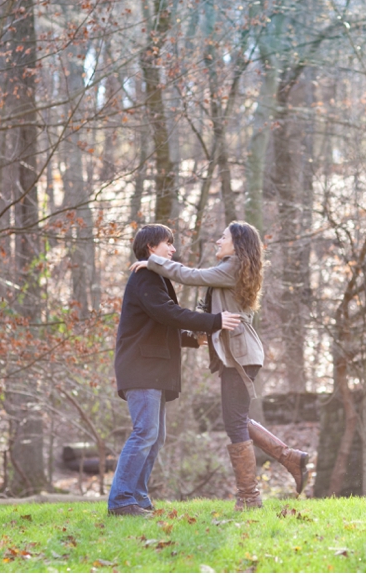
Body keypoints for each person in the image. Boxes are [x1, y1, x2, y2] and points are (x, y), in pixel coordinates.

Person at [132, 221, 310, 511]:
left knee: (235, 422)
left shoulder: (234, 265)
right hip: (238, 354)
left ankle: (250, 496)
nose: (217, 241)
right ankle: (291, 458)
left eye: (223, 237)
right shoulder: (231, 269)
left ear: (237, 244)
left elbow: (190, 276)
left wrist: (152, 262)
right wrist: (196, 335)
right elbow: (209, 309)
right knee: (236, 418)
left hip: (242, 355)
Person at [108, 224, 241, 517]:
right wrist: (213, 321)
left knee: (155, 436)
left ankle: (138, 499)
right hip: (141, 368)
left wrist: (193, 339)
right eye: (168, 243)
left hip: (152, 368)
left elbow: (160, 325)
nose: (173, 249)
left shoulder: (156, 279)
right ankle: (121, 501)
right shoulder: (145, 277)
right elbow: (168, 314)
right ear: (150, 248)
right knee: (145, 433)